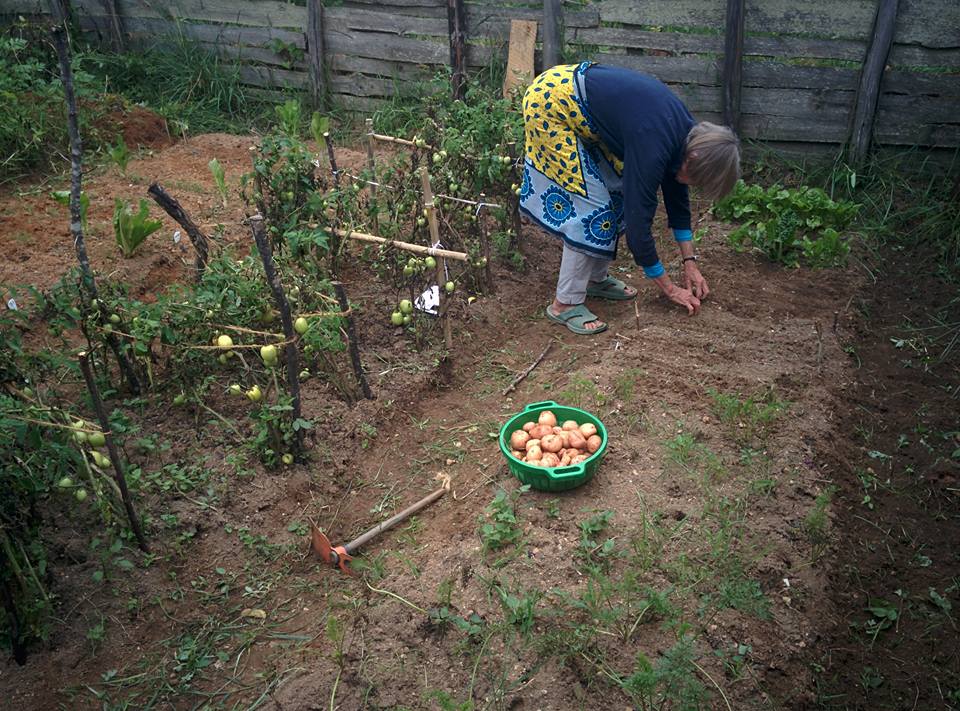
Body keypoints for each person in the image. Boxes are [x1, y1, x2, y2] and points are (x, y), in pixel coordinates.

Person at [518, 62, 741, 334]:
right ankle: (564, 304)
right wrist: (670, 289)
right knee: (593, 212)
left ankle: (595, 279)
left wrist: (690, 263)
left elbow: (677, 198)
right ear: (693, 158)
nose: (695, 186)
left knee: (616, 196)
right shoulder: (655, 145)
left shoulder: (687, 136)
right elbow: (639, 228)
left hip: (580, 107)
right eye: (698, 180)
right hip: (550, 105)